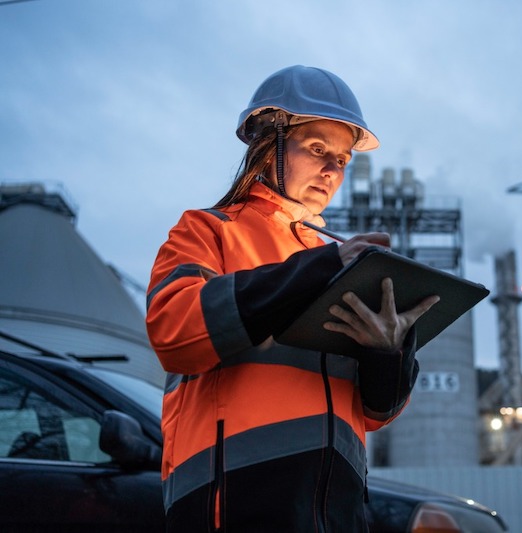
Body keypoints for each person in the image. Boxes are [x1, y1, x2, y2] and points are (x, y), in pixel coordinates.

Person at [145, 65, 439, 532]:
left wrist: (388, 352)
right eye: (319, 149)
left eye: (342, 159)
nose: (331, 170)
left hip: (335, 513)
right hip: (235, 503)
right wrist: (321, 268)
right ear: (268, 145)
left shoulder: (337, 262)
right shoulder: (209, 231)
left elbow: (376, 414)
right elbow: (174, 333)